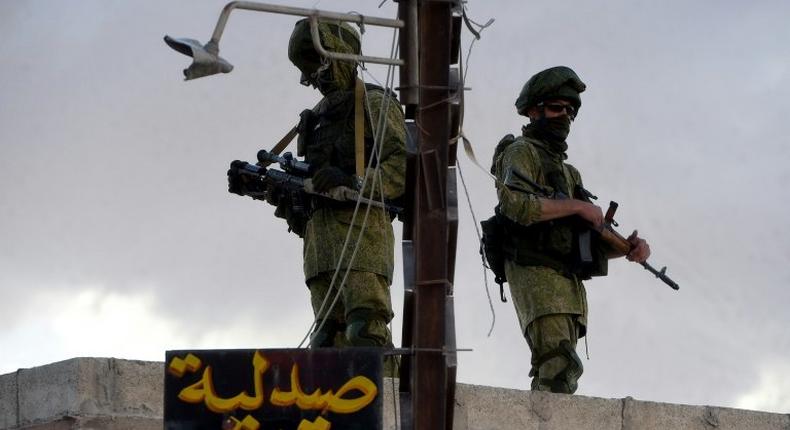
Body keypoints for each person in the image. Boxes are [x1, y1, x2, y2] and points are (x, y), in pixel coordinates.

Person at [490, 66, 650, 393]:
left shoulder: (568, 172)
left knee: (562, 370)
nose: (564, 116)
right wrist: (579, 207)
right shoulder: (521, 151)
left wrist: (627, 248)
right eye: (556, 108)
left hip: (567, 284)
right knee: (557, 364)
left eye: (570, 111)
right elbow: (517, 205)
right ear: (534, 111)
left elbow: (585, 236)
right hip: (535, 269)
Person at [283, 19, 407, 348]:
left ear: (338, 58)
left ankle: (386, 398)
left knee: (365, 335)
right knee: (327, 344)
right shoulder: (314, 118)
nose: (309, 79)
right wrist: (287, 199)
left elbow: (403, 168)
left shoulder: (374, 103)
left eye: (315, 65)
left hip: (364, 240)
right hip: (321, 249)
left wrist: (354, 181)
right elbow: (306, 192)